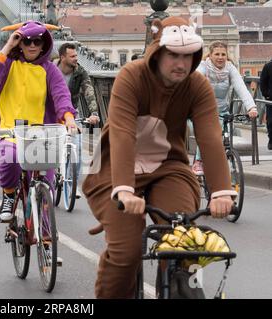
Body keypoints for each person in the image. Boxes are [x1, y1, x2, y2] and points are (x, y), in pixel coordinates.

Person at [82, 17, 237, 299]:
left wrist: (222, 191)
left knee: (182, 247)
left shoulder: (197, 86)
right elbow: (123, 134)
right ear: (157, 53)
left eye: (188, 56)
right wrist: (125, 189)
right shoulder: (132, 76)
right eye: (173, 55)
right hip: (113, 169)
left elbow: (211, 137)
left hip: (169, 168)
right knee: (126, 252)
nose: (181, 63)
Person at [0, 20, 77, 222]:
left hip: (41, 133)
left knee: (45, 190)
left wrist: (68, 118)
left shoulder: (50, 70)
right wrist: (8, 45)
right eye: (27, 41)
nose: (32, 45)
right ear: (20, 44)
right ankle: (8, 194)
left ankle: (46, 240)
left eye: (38, 42)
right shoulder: (8, 64)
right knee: (10, 157)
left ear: (45, 44)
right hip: (8, 130)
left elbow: (61, 95)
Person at [191, 41, 258, 174]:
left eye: (223, 54)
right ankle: (199, 161)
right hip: (204, 108)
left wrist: (251, 107)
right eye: (217, 54)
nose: (220, 57)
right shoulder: (204, 66)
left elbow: (241, 88)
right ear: (210, 55)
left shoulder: (230, 68)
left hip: (222, 109)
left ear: (227, 56)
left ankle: (223, 162)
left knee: (222, 137)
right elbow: (195, 80)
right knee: (206, 133)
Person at [56, 43, 100, 198]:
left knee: (78, 148)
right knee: (49, 149)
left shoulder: (80, 72)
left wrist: (94, 112)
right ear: (62, 57)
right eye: (73, 56)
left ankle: (71, 183)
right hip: (52, 114)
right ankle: (50, 176)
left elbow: (89, 91)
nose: (76, 58)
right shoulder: (51, 71)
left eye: (76, 55)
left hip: (72, 114)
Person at [260, 58, 272, 150]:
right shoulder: (268, 66)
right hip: (271, 100)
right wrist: (267, 95)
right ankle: (271, 140)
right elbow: (262, 82)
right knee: (271, 121)